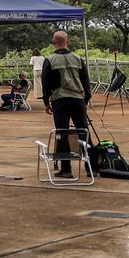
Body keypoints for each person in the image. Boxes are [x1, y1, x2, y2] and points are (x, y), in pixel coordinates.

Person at [41, 30, 93, 178]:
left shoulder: (50, 60)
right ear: (67, 41)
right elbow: (86, 83)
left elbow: (46, 84)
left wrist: (46, 102)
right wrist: (85, 101)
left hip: (60, 100)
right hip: (78, 100)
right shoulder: (78, 59)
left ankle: (66, 169)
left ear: (54, 42)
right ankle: (91, 168)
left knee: (62, 133)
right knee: (84, 132)